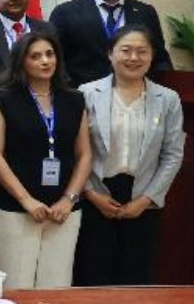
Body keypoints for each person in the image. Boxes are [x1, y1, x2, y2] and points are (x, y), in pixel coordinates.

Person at [76, 27, 186, 285]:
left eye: (141, 51)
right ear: (110, 54)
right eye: (125, 50)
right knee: (92, 276)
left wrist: (146, 200)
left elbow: (172, 154)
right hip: (97, 196)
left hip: (144, 198)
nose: (133, 58)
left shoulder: (168, 99)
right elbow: (76, 150)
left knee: (136, 279)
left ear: (152, 56)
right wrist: (90, 193)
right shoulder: (86, 94)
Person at [0, 29, 92, 290]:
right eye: (35, 56)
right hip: (16, 209)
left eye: (49, 54)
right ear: (22, 61)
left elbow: (85, 154)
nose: (45, 61)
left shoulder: (74, 99)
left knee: (56, 289)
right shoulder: (4, 99)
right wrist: (26, 200)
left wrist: (69, 199)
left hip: (63, 211)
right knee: (17, 289)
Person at [49, 0, 171, 85]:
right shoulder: (65, 13)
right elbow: (54, 61)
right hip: (81, 94)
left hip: (135, 93)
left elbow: (160, 60)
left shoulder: (145, 13)